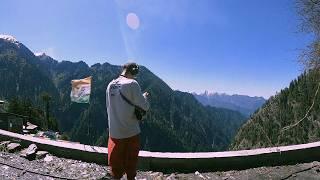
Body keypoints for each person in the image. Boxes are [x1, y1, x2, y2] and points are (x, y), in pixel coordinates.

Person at [106, 62, 150, 180]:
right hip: (130, 132)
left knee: (115, 170)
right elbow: (145, 106)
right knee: (131, 166)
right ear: (134, 71)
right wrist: (144, 96)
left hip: (114, 133)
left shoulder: (110, 85)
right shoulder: (132, 84)